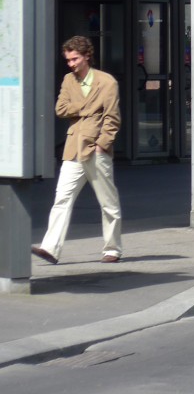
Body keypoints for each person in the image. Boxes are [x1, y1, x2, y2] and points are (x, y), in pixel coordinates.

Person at [32, 36, 123, 265]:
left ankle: (112, 249)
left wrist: (103, 144)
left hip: (96, 148)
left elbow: (112, 117)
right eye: (68, 60)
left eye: (74, 59)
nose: (71, 64)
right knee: (62, 198)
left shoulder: (107, 82)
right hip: (73, 149)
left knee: (107, 202)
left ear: (87, 56)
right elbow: (60, 109)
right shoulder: (68, 80)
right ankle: (51, 248)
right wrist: (86, 107)